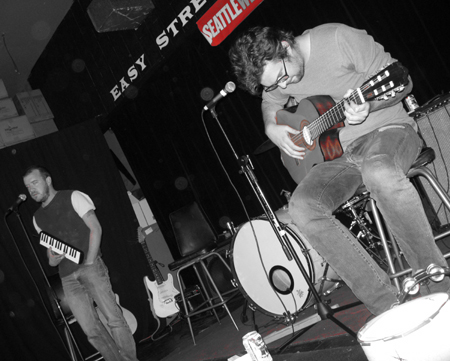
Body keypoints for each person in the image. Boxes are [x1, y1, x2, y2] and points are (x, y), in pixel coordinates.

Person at [228, 23, 450, 316]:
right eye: (274, 84)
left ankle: (433, 282)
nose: (283, 86)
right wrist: (271, 127)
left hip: (390, 131)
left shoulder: (337, 38)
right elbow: (271, 102)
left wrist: (369, 105)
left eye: (282, 77)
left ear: (284, 45)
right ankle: (388, 305)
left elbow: (402, 82)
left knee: (379, 172)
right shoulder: (278, 80)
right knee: (302, 207)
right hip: (340, 155)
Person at [23, 165, 138, 361]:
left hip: (91, 267)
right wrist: (52, 258)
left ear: (48, 180)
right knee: (92, 331)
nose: (31, 189)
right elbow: (50, 260)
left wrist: (91, 261)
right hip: (67, 277)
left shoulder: (73, 196)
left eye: (35, 182)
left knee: (114, 320)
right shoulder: (37, 218)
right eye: (28, 187)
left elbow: (96, 228)